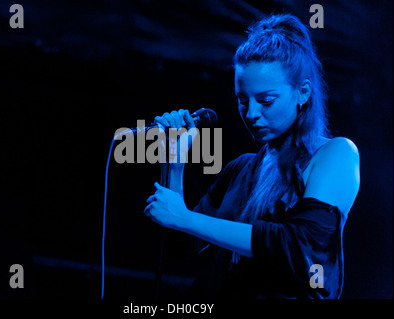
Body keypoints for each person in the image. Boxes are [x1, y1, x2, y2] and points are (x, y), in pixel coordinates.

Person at [144, 13, 360, 299]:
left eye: (266, 100)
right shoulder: (239, 170)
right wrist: (174, 165)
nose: (251, 114)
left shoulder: (336, 154)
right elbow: (182, 247)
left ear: (303, 93)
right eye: (242, 101)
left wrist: (184, 218)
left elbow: (299, 248)